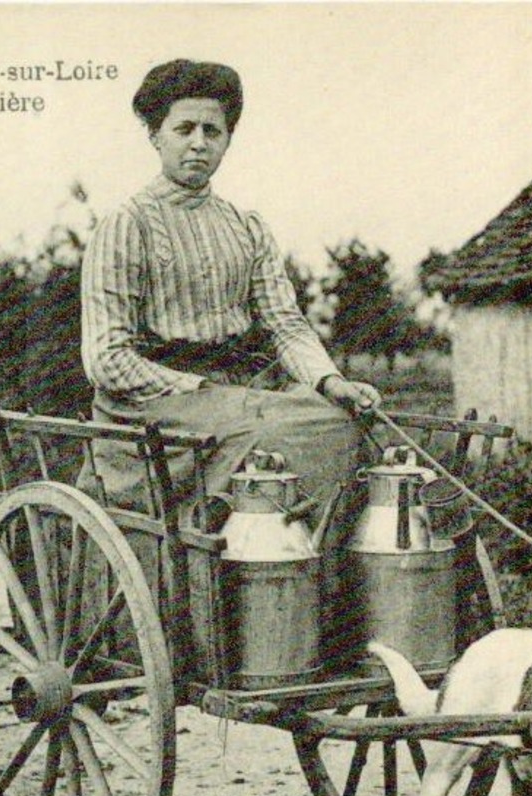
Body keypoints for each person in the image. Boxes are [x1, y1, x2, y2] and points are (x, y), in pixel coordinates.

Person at [80, 58, 381, 520]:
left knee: (341, 425)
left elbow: (285, 325)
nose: (199, 143)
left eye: (212, 131)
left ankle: (309, 567)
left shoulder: (246, 228)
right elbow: (106, 359)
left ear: (227, 139)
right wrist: (200, 388)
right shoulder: (126, 226)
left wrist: (331, 381)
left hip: (236, 395)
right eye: (184, 129)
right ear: (155, 135)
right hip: (150, 411)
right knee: (270, 431)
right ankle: (251, 546)